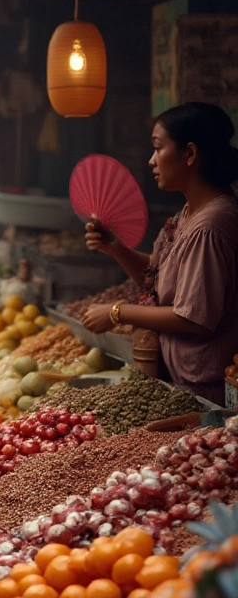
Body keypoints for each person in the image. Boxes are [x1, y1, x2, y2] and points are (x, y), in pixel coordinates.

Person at [82, 102, 238, 404]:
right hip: (182, 380)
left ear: (190, 154)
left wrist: (118, 313)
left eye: (158, 148)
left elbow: (194, 319)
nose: (152, 161)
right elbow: (159, 276)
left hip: (205, 391)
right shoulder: (190, 212)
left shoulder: (211, 225)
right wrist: (114, 246)